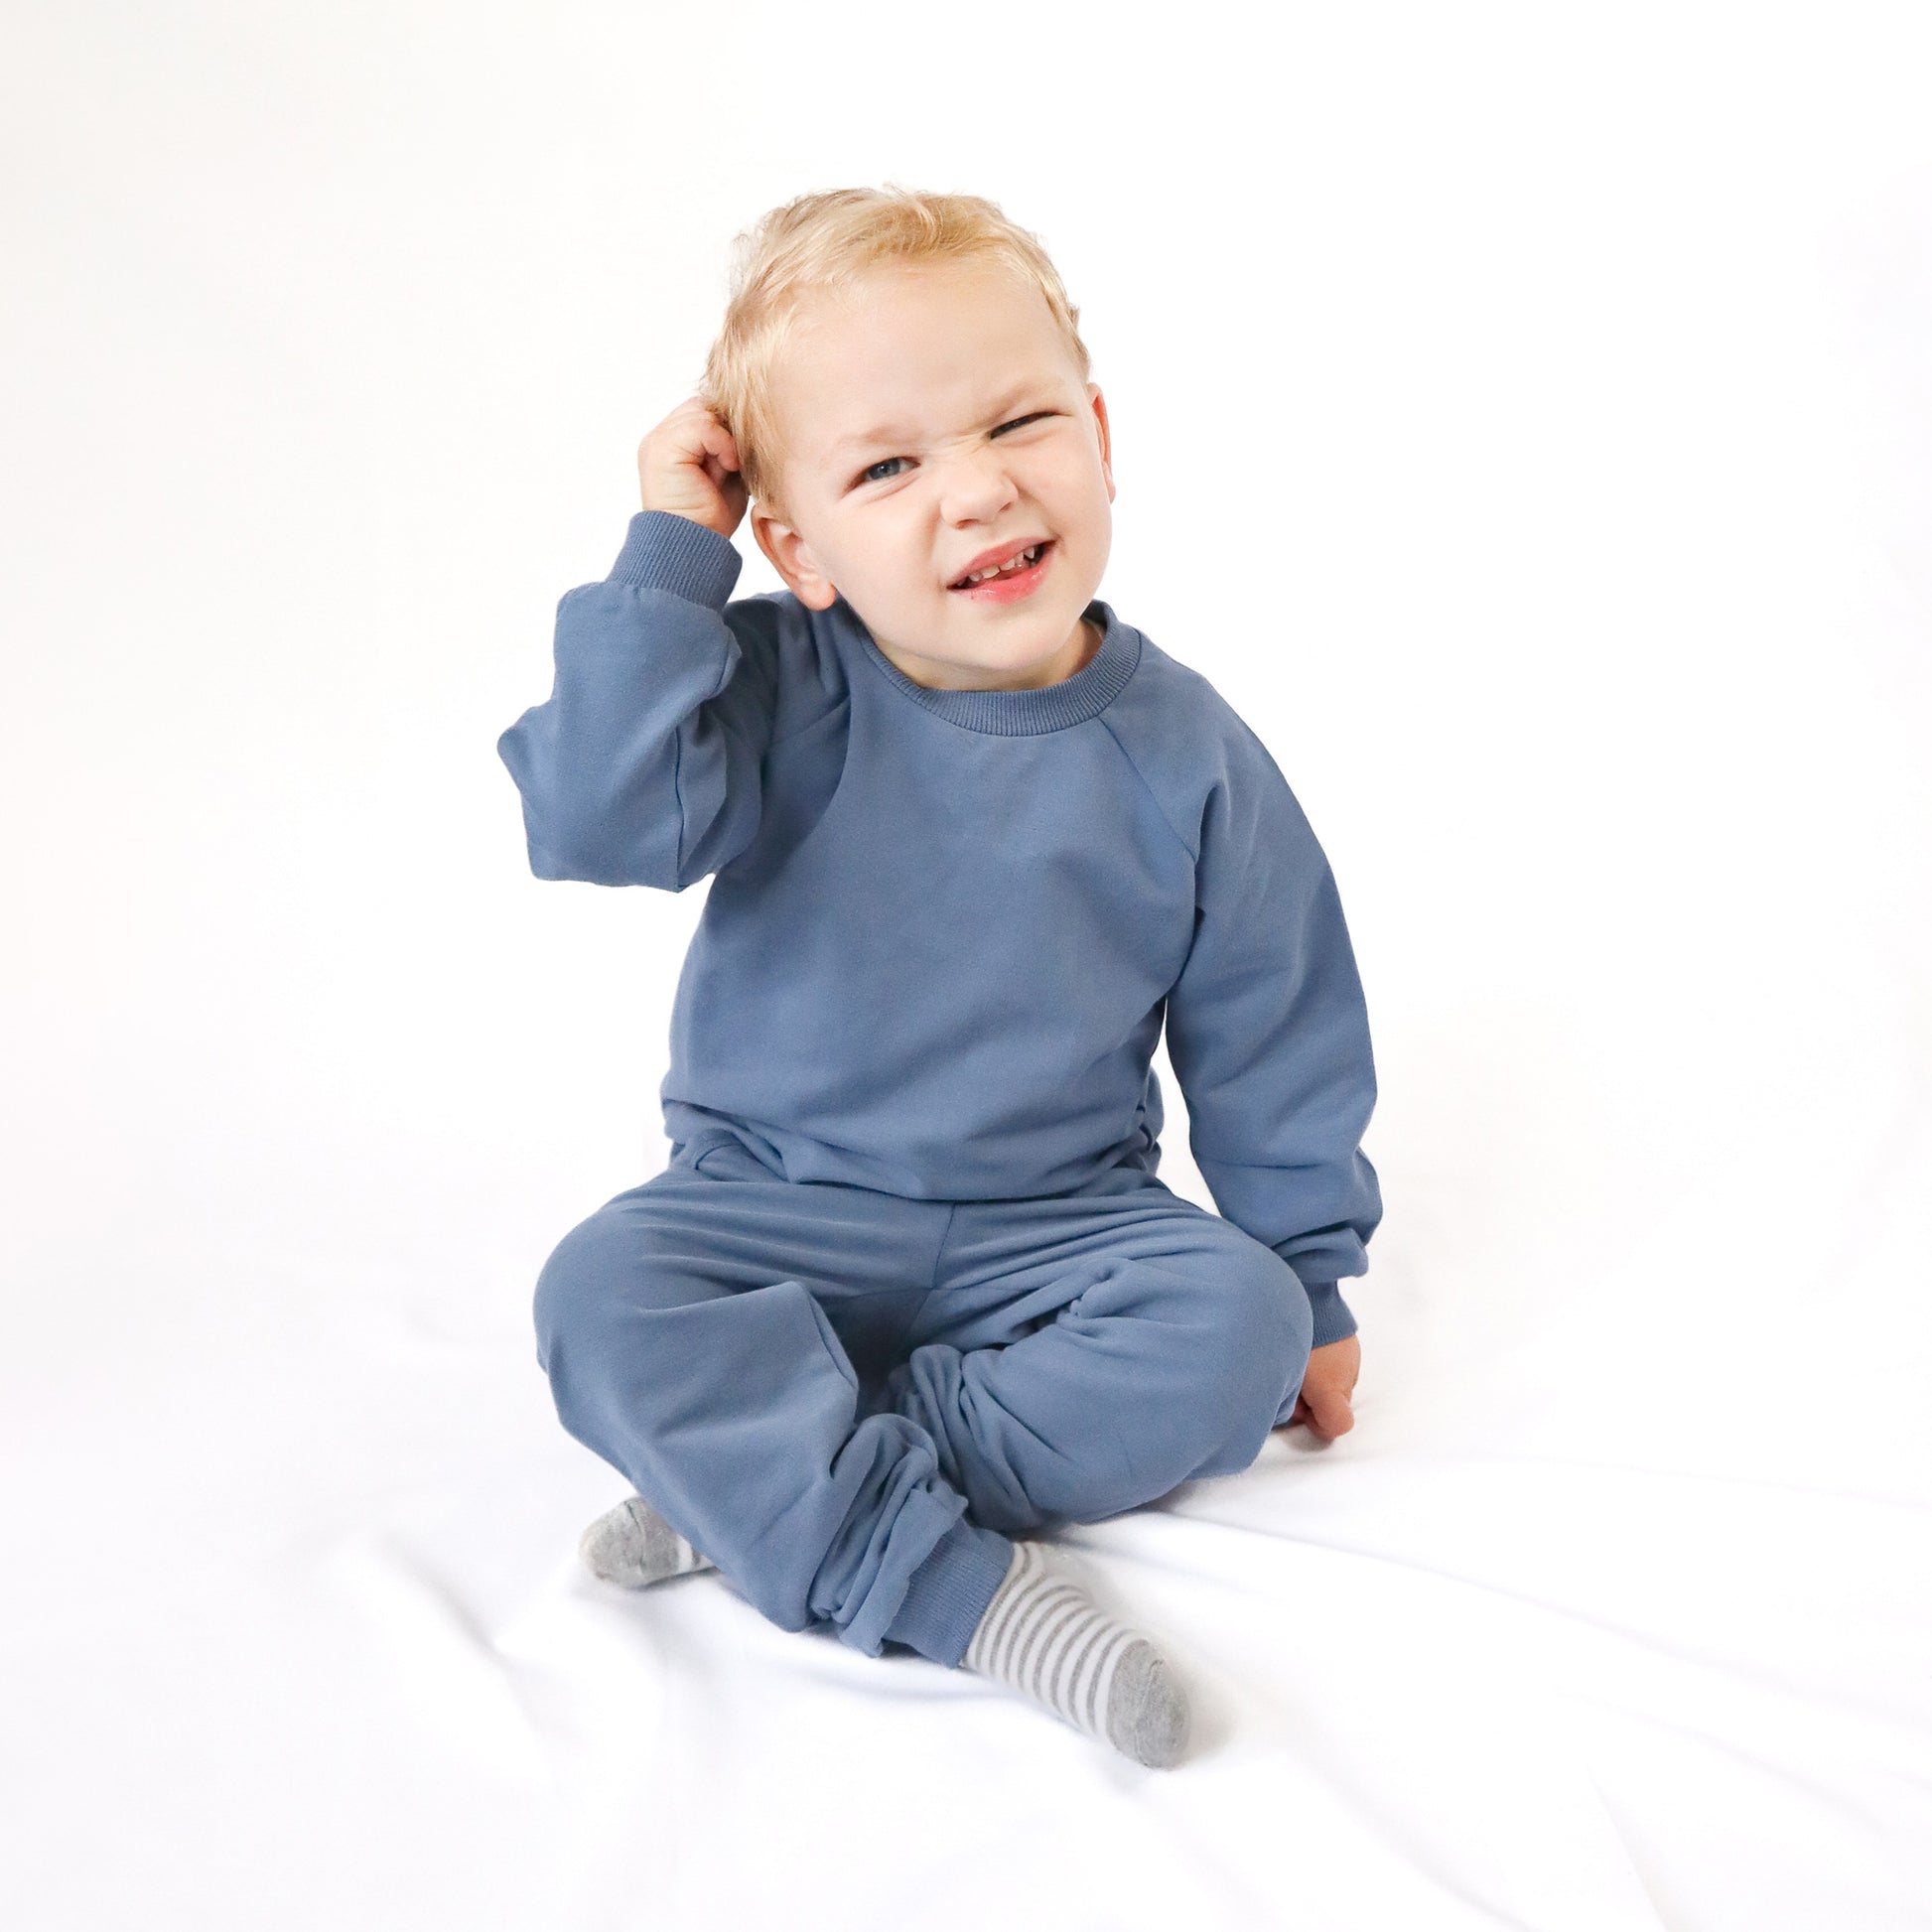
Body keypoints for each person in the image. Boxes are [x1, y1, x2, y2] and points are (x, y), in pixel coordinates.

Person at [496, 185, 1382, 1769]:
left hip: (1056, 1228)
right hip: (770, 1207)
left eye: (1018, 422)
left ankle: (782, 1473)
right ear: (798, 544)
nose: (974, 489)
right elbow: (594, 823)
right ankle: (964, 1593)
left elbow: (1276, 1023)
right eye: (887, 466)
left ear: (1099, 437)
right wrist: (668, 563)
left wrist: (1307, 1277)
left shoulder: (1188, 753)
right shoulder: (773, 687)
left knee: (1231, 1322)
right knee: (597, 1296)